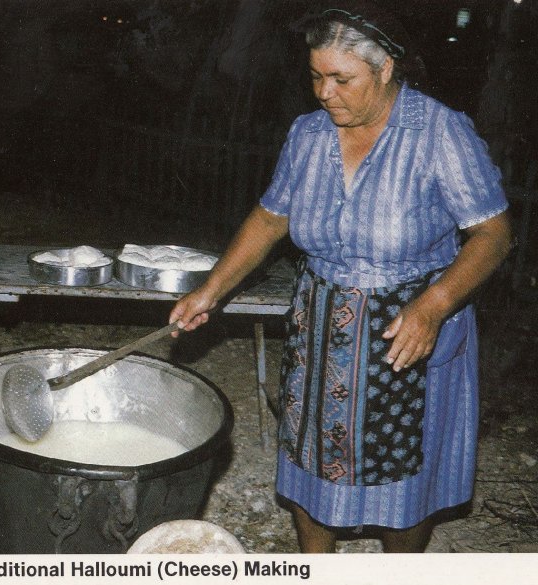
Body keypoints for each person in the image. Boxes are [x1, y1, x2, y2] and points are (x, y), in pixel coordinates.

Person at [169, 0, 512, 553]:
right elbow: (272, 216)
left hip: (408, 329)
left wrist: (434, 304)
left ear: (386, 68)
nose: (325, 93)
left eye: (341, 79)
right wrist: (211, 288)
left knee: (403, 477)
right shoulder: (308, 135)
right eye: (315, 77)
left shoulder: (439, 133)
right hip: (322, 324)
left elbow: (494, 234)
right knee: (311, 461)